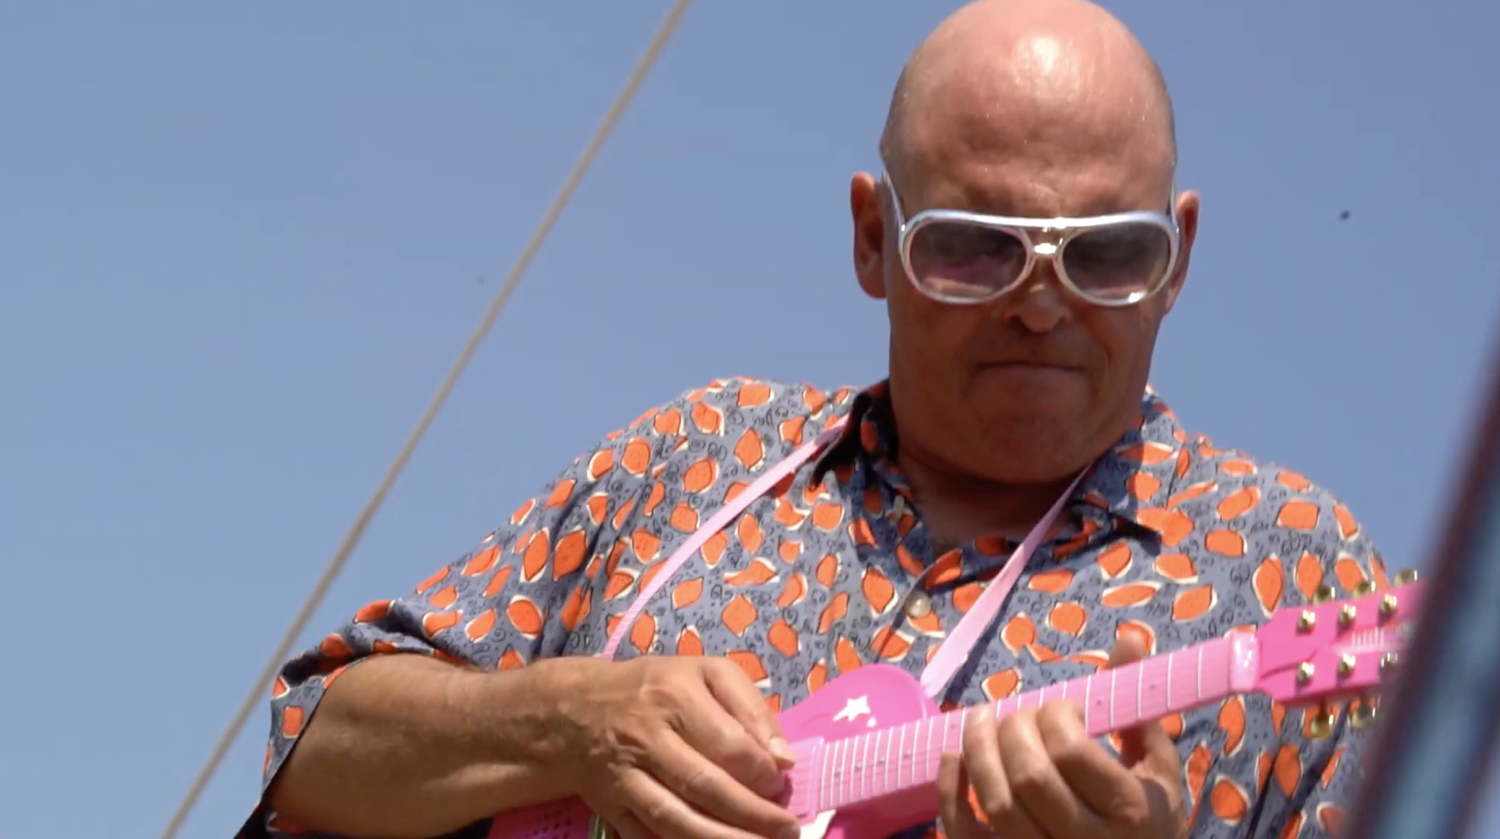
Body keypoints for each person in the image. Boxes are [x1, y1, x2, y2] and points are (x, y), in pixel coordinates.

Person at [237, 1, 1390, 838]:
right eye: (974, 246)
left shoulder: (1294, 571)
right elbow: (311, 744)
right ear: (872, 239)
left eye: (1106, 254)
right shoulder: (701, 451)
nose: (1041, 304)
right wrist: (563, 718)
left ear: (1178, 256)